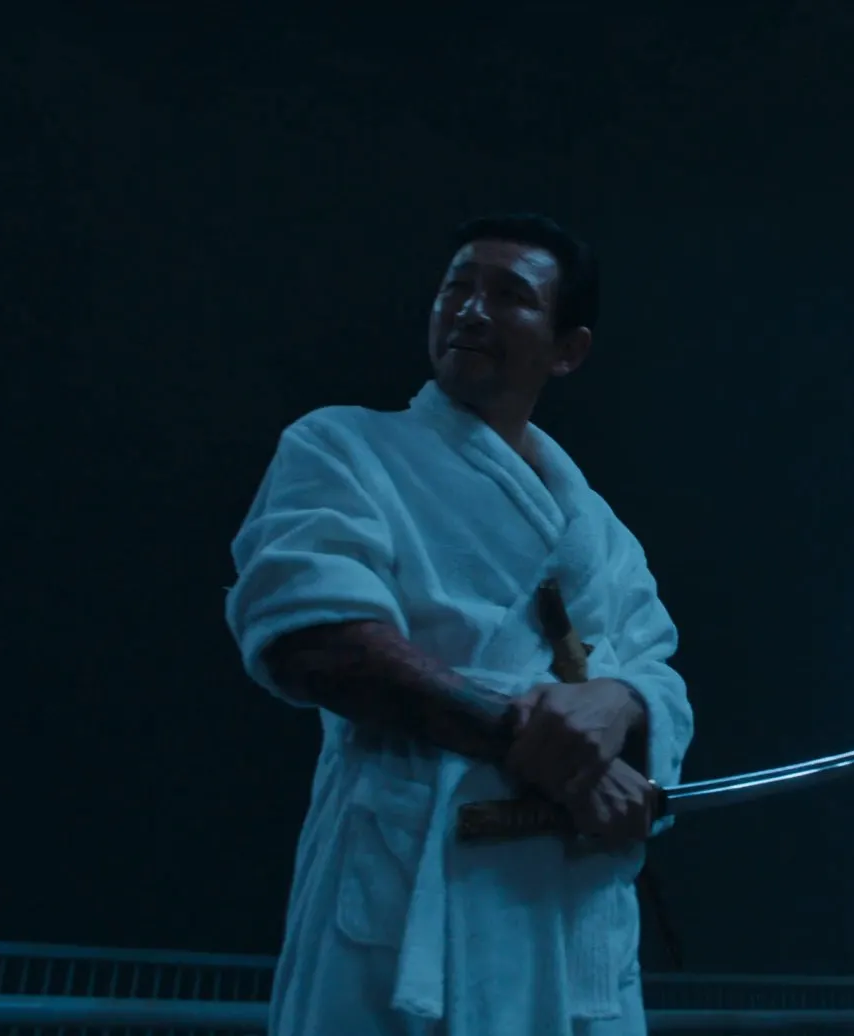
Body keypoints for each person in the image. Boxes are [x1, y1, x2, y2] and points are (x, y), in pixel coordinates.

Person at [225, 214, 694, 1035]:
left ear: (567, 349)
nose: (471, 310)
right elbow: (316, 639)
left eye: (510, 296)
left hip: (570, 911)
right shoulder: (343, 446)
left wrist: (621, 704)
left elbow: (656, 667)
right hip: (408, 879)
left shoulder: (604, 534)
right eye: (458, 287)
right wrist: (537, 739)